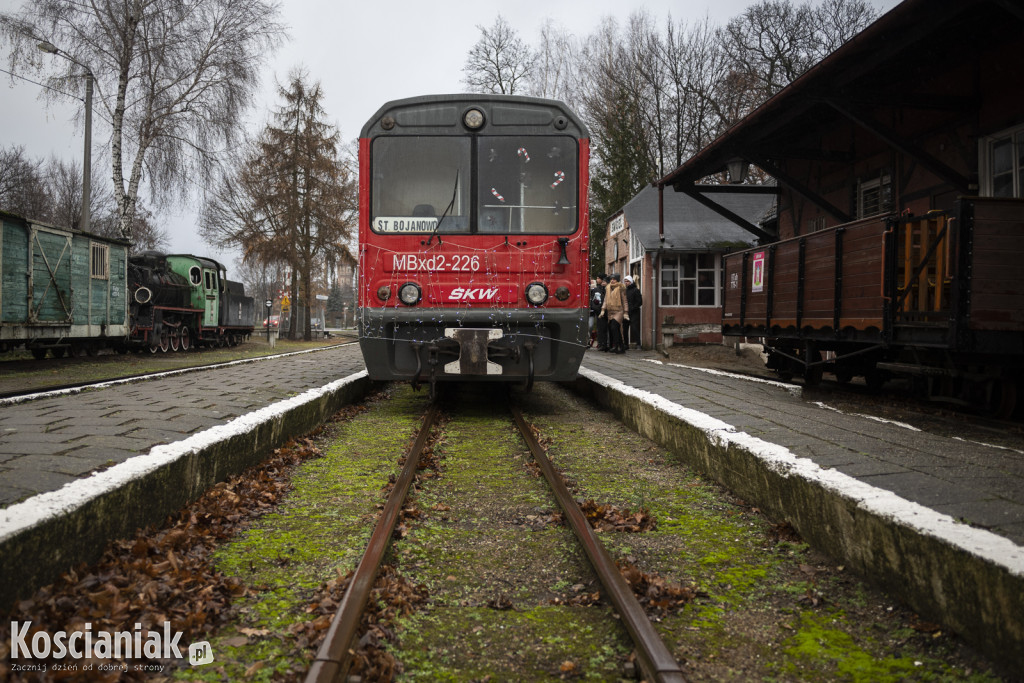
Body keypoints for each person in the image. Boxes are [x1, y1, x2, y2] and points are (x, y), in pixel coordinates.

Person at [600, 273, 628, 353]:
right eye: (611, 279)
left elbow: (625, 301)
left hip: (619, 311)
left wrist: (626, 312)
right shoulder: (608, 288)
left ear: (617, 280)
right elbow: (605, 300)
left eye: (614, 279)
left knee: (614, 327)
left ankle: (616, 346)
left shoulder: (621, 288)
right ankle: (621, 347)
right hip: (610, 311)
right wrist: (603, 310)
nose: (612, 280)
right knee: (615, 329)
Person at [623, 275, 643, 349]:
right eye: (625, 281)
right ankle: (626, 344)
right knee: (625, 328)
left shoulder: (636, 290)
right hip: (625, 312)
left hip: (634, 312)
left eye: (627, 281)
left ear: (631, 282)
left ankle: (638, 344)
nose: (626, 282)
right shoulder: (624, 290)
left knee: (634, 328)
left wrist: (633, 307)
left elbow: (640, 302)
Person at [591, 274, 609, 351]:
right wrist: (597, 309)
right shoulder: (596, 290)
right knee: (601, 329)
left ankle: (607, 344)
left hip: (609, 312)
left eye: (599, 278)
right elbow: (593, 301)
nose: (597, 280)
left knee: (608, 329)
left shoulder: (608, 289)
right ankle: (601, 344)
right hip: (599, 312)